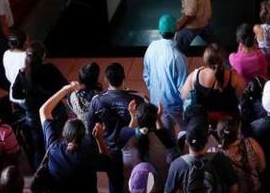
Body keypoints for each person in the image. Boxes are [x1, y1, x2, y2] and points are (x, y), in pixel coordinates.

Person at [38, 82, 112, 193]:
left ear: (64, 134)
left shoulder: (53, 146)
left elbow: (44, 110)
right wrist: (99, 138)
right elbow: (107, 162)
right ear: (83, 137)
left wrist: (65, 89)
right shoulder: (88, 154)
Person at [86, 63, 146, 193]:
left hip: (109, 151)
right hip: (133, 149)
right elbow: (147, 122)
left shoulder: (96, 101)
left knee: (115, 183)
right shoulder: (138, 98)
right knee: (138, 180)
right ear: (124, 78)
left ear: (106, 80)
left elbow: (90, 128)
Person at [143, 14, 188, 131]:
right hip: (174, 106)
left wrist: (155, 90)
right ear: (176, 31)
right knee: (185, 131)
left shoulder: (151, 47)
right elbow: (183, 87)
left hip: (156, 102)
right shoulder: (178, 56)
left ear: (160, 31)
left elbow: (146, 75)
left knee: (167, 137)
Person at [180, 44, 245, 124]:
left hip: (204, 121)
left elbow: (183, 95)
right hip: (228, 122)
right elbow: (242, 98)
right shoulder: (234, 77)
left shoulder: (195, 76)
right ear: (224, 60)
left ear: (205, 59)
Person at [166, 122, 239, 193]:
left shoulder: (176, 165)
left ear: (186, 142)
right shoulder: (220, 158)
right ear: (207, 141)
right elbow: (234, 187)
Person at [121, 101, 176, 188]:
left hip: (133, 185)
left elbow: (128, 132)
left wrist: (133, 117)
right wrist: (158, 118)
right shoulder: (163, 137)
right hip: (158, 184)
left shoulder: (126, 136)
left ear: (137, 118)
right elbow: (163, 134)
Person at [216, 115, 265, 193]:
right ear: (237, 131)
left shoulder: (218, 154)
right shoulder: (251, 143)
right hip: (255, 189)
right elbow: (262, 167)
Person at [2, 31, 27, 100]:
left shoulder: (6, 53)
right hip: (25, 95)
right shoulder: (26, 56)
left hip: (13, 93)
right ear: (24, 43)